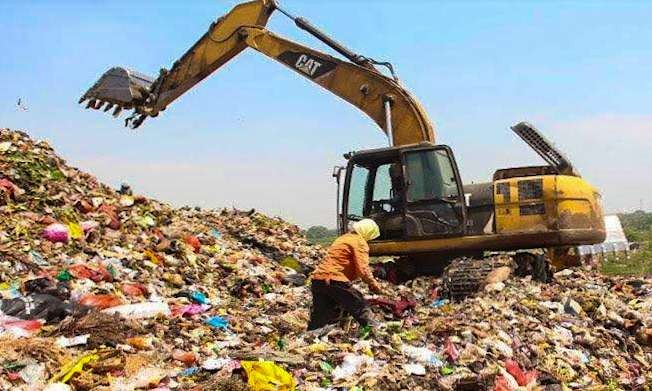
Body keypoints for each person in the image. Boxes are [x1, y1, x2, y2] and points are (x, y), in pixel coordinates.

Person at [307, 219, 384, 331]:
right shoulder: (359, 242)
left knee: (321, 314)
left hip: (318, 280)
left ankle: (311, 338)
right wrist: (374, 285)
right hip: (335, 279)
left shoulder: (343, 238)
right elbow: (363, 270)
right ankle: (376, 331)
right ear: (367, 232)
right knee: (359, 305)